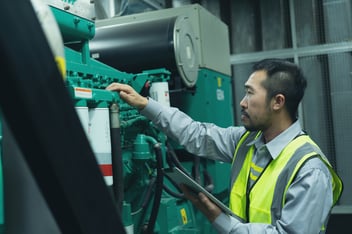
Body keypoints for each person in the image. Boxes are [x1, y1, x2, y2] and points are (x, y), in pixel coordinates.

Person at [106, 58, 343, 233]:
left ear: (277, 102)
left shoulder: (310, 170)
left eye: (250, 93)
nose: (242, 102)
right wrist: (145, 105)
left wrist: (216, 216)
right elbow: (196, 134)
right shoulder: (247, 141)